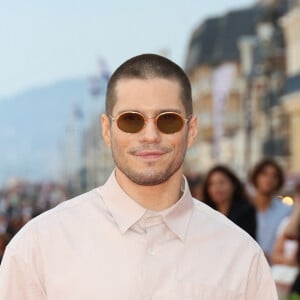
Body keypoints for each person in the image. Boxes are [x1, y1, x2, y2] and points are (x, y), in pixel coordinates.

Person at [0, 54, 277, 299]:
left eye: (168, 119)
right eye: (131, 120)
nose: (150, 135)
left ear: (191, 130)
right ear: (107, 130)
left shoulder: (241, 256)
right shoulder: (39, 247)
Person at [249, 158, 292, 263]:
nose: (269, 179)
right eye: (264, 174)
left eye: (274, 176)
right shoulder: (244, 209)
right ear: (256, 177)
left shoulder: (286, 210)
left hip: (276, 269)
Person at [202, 165, 256, 239]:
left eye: (222, 182)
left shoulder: (246, 212)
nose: (217, 188)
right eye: (212, 184)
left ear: (234, 185)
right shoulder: (203, 213)